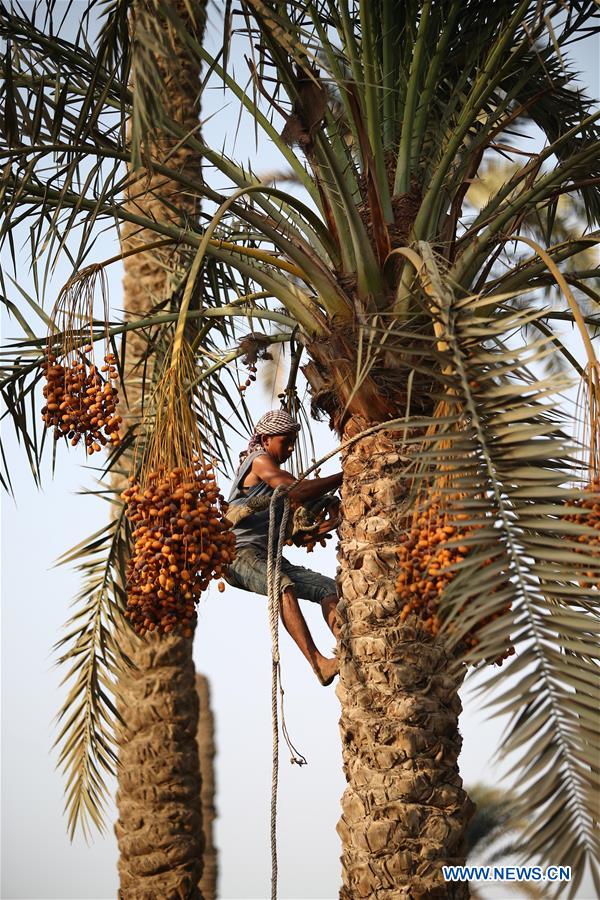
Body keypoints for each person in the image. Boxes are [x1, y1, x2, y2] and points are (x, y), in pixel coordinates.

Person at [224, 410, 343, 686]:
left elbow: (301, 521)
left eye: (293, 442)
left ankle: (348, 647)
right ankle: (319, 664)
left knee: (328, 589)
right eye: (286, 441)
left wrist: (329, 512)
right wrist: (344, 475)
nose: (290, 448)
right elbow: (296, 491)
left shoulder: (275, 472)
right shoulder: (258, 461)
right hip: (237, 556)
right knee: (282, 586)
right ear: (265, 439)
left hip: (268, 556)